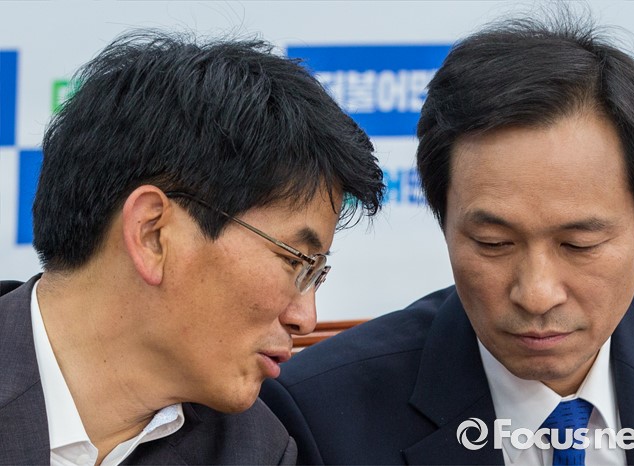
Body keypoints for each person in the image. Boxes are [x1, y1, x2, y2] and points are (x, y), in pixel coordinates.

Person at [260, 12, 634, 466]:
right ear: (444, 219)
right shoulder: (317, 418)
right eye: (493, 243)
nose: (536, 295)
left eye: (578, 245)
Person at [0, 30, 384, 465]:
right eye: (294, 260)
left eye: (316, 272)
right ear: (153, 234)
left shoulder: (255, 451)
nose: (305, 318)